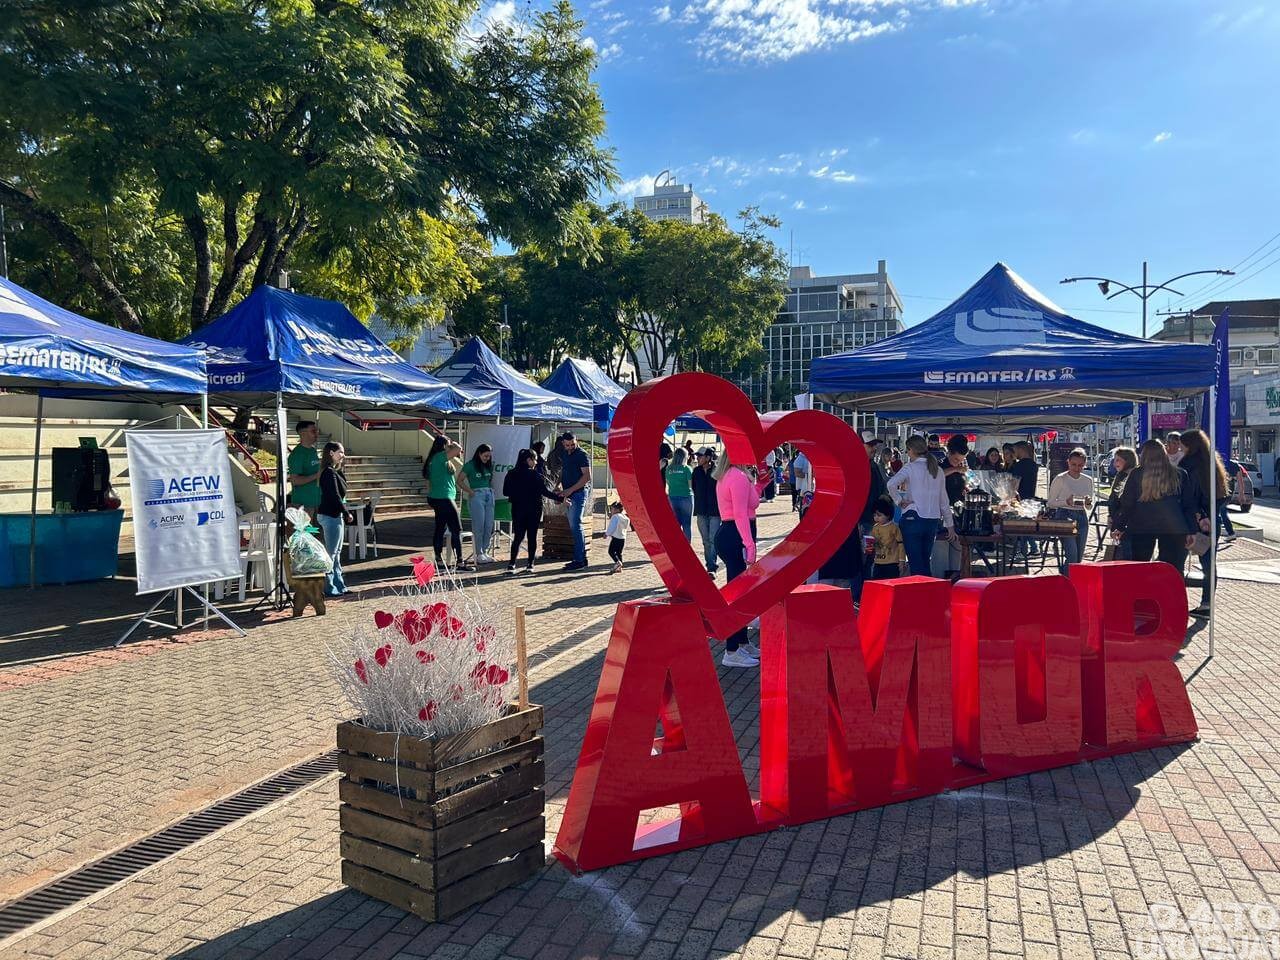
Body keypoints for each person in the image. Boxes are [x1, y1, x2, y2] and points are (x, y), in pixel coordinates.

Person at [1114, 439, 1197, 573]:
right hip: (1174, 526)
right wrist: (1191, 530)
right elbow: (1188, 505)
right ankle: (1171, 593)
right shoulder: (1179, 474)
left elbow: (1128, 504)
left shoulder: (1137, 474)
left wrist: (1119, 526)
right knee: (1172, 571)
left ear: (1144, 455)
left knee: (1140, 568)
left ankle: (1143, 593)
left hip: (1142, 525)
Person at [714, 456, 763, 667]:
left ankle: (741, 642)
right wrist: (749, 545)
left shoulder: (732, 475)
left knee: (739, 593)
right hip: (736, 535)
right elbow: (741, 513)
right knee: (737, 597)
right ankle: (732, 649)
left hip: (732, 534)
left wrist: (758, 484)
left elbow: (752, 504)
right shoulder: (738, 476)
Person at [886, 435, 956, 577]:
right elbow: (944, 500)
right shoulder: (938, 470)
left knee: (917, 564)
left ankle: (922, 595)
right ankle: (927, 594)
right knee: (924, 562)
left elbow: (890, 484)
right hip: (932, 520)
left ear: (911, 450)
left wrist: (899, 501)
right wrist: (950, 525)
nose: (907, 453)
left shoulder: (910, 467)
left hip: (914, 517)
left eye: (908, 450)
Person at [1179, 429, 1229, 617]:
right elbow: (1223, 495)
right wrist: (1210, 514)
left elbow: (1188, 497)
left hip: (1192, 521)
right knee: (1209, 564)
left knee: (1178, 561)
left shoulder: (1188, 465)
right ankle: (1207, 602)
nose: (1181, 449)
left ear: (1190, 446)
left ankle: (1177, 602)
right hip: (1212, 520)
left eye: (1183, 445)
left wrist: (1199, 515)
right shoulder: (1213, 463)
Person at [503, 448, 562, 573]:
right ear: (528, 460)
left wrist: (518, 492)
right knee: (532, 536)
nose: (535, 462)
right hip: (534, 508)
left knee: (518, 536)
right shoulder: (534, 474)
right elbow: (544, 492)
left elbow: (505, 492)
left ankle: (511, 564)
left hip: (517, 508)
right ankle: (530, 564)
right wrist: (560, 498)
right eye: (534, 459)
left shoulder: (511, 473)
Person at [424, 436, 472, 571]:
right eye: (448, 444)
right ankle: (460, 562)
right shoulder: (439, 457)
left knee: (440, 528)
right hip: (444, 498)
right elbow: (458, 448)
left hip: (438, 497)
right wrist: (453, 445)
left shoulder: (435, 459)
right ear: (443, 446)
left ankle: (439, 560)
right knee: (456, 529)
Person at [1046, 447, 1094, 571]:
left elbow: (1089, 506)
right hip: (1064, 516)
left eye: (1080, 465)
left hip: (1082, 516)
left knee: (1078, 558)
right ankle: (1066, 579)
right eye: (1074, 464)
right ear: (1068, 462)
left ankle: (1067, 578)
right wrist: (1066, 501)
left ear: (1085, 465)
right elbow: (1050, 502)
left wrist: (1088, 503)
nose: (1077, 468)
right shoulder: (1060, 479)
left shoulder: (1088, 480)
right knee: (1072, 556)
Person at [316, 441, 350, 598]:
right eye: (340, 452)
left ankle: (339, 584)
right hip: (331, 515)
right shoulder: (328, 473)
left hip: (334, 515)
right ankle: (329, 586)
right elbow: (335, 495)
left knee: (337, 552)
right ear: (331, 453)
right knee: (331, 553)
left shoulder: (334, 471)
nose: (343, 455)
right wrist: (346, 512)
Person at [456, 444, 497, 564]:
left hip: (489, 494)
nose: (487, 458)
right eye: (485, 456)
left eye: (489, 456)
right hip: (477, 495)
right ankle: (478, 553)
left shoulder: (489, 465)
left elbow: (489, 480)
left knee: (489, 525)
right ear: (479, 453)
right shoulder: (470, 465)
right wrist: (470, 491)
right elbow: (459, 480)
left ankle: (484, 551)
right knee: (479, 525)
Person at [557, 432, 592, 570]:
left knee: (576, 525)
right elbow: (563, 471)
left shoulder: (581, 454)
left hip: (578, 493)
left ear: (576, 441)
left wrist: (570, 490)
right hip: (569, 492)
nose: (570, 447)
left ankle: (579, 559)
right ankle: (580, 558)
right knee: (574, 525)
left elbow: (587, 477)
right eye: (567, 445)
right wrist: (558, 485)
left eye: (572, 444)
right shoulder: (565, 453)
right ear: (563, 444)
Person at [692, 447, 721, 574]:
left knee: (713, 539)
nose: (697, 458)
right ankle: (709, 563)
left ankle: (712, 567)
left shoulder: (717, 470)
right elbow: (694, 487)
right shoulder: (696, 471)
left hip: (715, 510)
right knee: (705, 541)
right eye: (697, 456)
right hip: (701, 510)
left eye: (700, 456)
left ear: (708, 458)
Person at [1106, 446, 1138, 559]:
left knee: (1125, 558)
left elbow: (1121, 503)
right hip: (1125, 523)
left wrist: (1117, 524)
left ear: (1127, 460)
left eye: (1118, 460)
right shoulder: (1126, 475)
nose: (1115, 463)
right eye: (1114, 460)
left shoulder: (1128, 476)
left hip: (1124, 524)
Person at [286, 420, 323, 516]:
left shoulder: (313, 451)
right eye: (313, 431)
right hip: (303, 504)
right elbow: (295, 480)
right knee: (306, 531)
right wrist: (317, 475)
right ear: (302, 433)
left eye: (317, 431)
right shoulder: (297, 455)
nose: (317, 434)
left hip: (318, 502)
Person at [870, 496, 906, 579]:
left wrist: (902, 560)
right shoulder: (875, 528)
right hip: (878, 562)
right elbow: (872, 543)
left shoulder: (894, 528)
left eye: (879, 515)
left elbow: (900, 544)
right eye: (874, 515)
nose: (876, 517)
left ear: (888, 515)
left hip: (892, 563)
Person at [665, 447, 694, 541]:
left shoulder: (669, 469)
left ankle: (676, 544)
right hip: (686, 497)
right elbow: (691, 485)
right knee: (687, 524)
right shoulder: (687, 469)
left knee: (675, 525)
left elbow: (668, 483)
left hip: (672, 497)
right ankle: (687, 546)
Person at [605, 501, 629, 574]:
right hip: (622, 537)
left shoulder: (615, 517)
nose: (611, 511)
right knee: (619, 553)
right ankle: (619, 568)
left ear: (617, 510)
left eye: (612, 509)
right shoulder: (626, 517)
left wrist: (607, 534)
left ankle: (617, 562)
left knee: (611, 551)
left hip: (616, 537)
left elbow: (612, 527)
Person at [791, 448, 811, 516]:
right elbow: (797, 473)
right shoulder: (800, 458)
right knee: (804, 508)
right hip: (803, 488)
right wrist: (810, 475)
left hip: (811, 487)